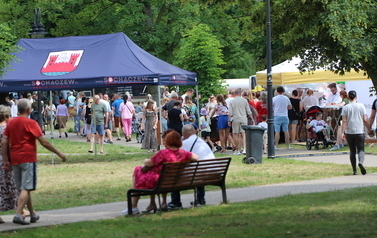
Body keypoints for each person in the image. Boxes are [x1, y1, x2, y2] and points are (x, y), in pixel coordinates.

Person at [1, 99, 66, 225]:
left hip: (15, 159)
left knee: (24, 188)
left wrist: (6, 160)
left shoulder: (11, 123)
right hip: (28, 158)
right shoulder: (31, 123)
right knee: (27, 187)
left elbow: (4, 142)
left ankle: (32, 214)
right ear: (28, 110)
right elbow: (44, 142)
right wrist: (59, 153)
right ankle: (18, 214)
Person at [123, 130, 198, 214]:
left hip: (160, 182)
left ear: (168, 141)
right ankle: (153, 204)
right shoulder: (183, 153)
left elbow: (149, 163)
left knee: (138, 169)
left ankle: (134, 206)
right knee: (152, 172)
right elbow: (196, 157)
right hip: (175, 181)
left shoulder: (163, 153)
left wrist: (145, 160)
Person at [168, 124, 215, 209]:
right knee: (199, 172)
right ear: (194, 131)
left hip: (198, 173)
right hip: (213, 172)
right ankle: (200, 200)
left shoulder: (185, 143)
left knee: (174, 175)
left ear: (183, 133)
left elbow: (176, 159)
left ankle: (175, 202)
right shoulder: (201, 141)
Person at [341, 90, 372, 175]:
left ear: (348, 97)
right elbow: (365, 119)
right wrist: (369, 128)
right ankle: (361, 162)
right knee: (361, 149)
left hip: (349, 131)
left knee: (352, 151)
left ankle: (354, 170)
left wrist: (342, 133)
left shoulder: (345, 107)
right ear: (356, 97)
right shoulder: (361, 106)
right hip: (359, 131)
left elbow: (344, 121)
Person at [0, 106, 18, 223]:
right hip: (5, 159)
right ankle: (20, 210)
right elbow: (9, 144)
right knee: (12, 185)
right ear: (6, 117)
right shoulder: (6, 128)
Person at [228, 88, 253, 155]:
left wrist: (229, 120)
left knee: (235, 134)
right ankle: (244, 148)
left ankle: (237, 150)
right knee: (243, 134)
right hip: (243, 118)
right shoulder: (244, 100)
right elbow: (248, 111)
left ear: (235, 93)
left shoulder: (232, 101)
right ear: (241, 93)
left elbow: (230, 112)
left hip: (235, 119)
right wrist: (252, 119)